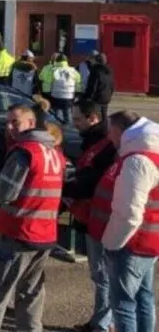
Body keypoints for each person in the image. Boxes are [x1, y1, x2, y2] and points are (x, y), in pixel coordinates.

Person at [0, 104, 64, 332]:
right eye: (8, 122)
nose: (9, 127)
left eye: (15, 122)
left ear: (31, 123)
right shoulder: (55, 154)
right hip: (44, 234)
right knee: (31, 294)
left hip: (16, 233)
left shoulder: (24, 152)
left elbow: (6, 193)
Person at [88, 111, 159, 332]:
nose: (109, 136)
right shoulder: (153, 154)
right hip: (149, 241)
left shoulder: (137, 161)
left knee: (124, 305)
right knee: (144, 297)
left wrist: (111, 244)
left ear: (119, 131)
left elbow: (129, 213)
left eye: (111, 131)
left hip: (132, 243)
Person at [62, 101, 116, 332]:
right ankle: (101, 320)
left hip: (101, 218)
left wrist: (69, 187)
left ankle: (103, 324)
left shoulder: (106, 146)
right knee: (99, 274)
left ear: (92, 118)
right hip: (90, 216)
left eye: (78, 119)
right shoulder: (93, 142)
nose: (74, 125)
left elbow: (95, 179)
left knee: (103, 274)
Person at [41, 53, 81, 125]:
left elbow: (47, 82)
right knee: (67, 112)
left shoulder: (54, 70)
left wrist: (47, 92)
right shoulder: (72, 70)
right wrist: (77, 93)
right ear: (66, 61)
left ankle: (56, 124)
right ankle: (67, 124)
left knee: (55, 112)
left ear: (57, 61)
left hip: (56, 96)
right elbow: (78, 81)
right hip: (69, 97)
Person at [80, 53, 114, 122]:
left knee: (95, 117)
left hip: (97, 98)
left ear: (96, 61)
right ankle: (105, 128)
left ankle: (96, 129)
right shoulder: (109, 71)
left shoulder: (95, 70)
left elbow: (92, 86)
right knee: (104, 116)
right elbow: (112, 86)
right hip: (106, 98)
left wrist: (87, 97)